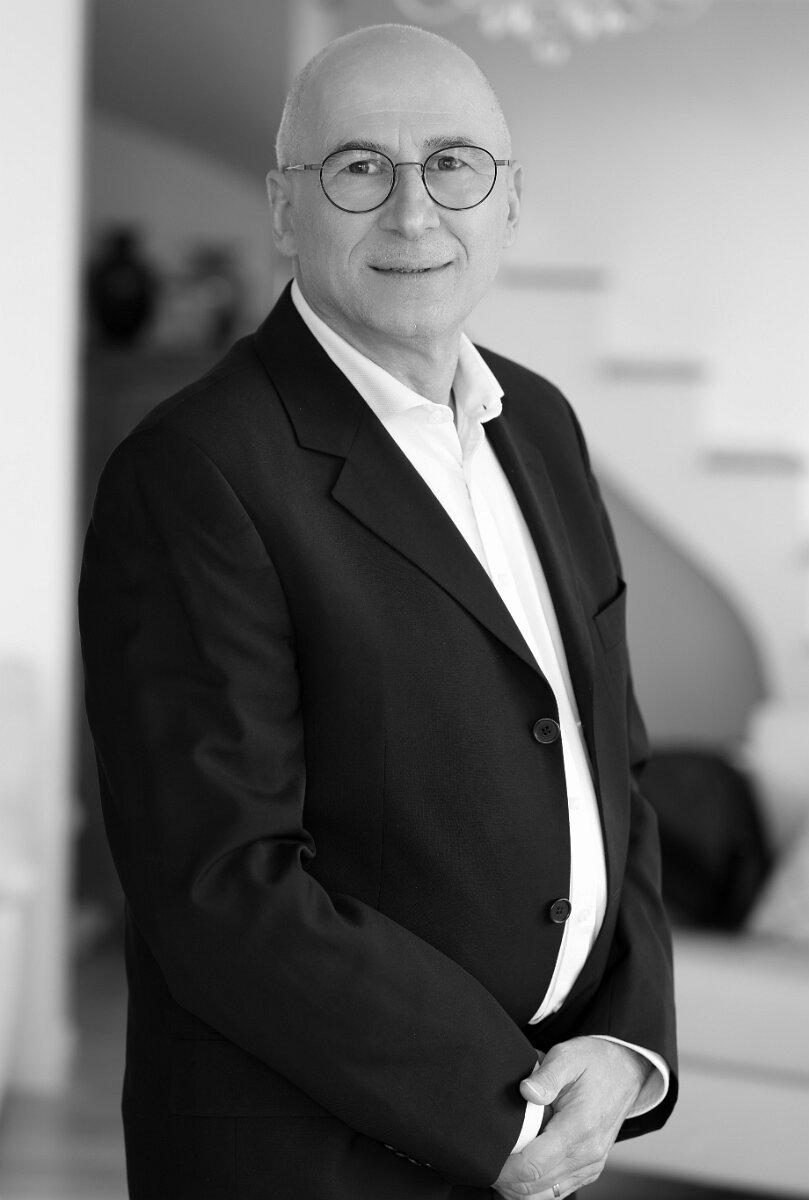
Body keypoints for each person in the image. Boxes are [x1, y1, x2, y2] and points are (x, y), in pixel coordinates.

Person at [79, 22, 677, 1200]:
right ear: (282, 206)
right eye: (359, 167)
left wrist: (623, 1041)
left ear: (508, 202)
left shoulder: (540, 423)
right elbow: (220, 884)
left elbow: (613, 766)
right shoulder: (192, 469)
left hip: (545, 1119)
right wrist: (505, 1115)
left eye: (453, 165)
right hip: (312, 1157)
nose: (413, 213)